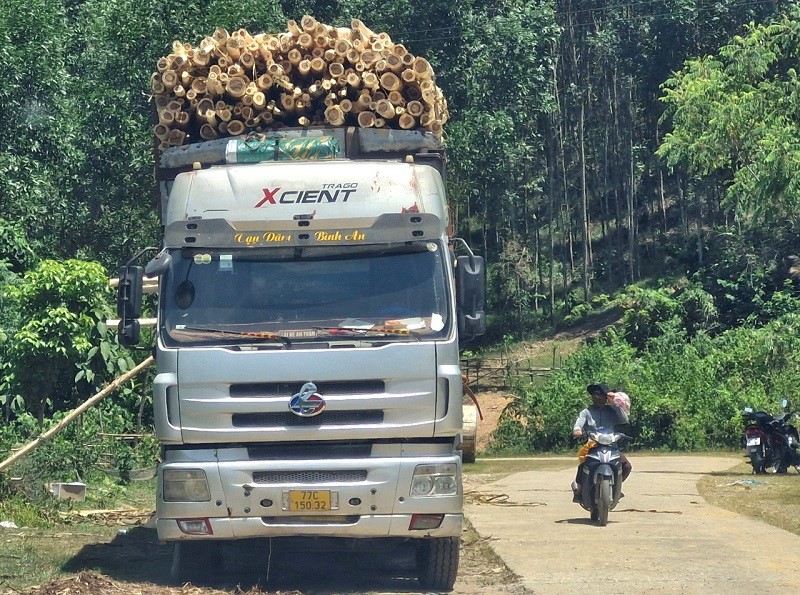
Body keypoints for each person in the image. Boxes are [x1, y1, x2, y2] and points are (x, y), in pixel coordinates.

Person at [571, 383, 632, 502]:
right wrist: (577, 430)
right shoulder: (586, 412)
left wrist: (615, 403)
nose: (599, 398)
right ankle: (579, 489)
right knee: (583, 466)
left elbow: (624, 419)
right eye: (596, 396)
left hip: (611, 446)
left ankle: (616, 488)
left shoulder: (611, 410)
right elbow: (579, 423)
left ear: (606, 398)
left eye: (603, 396)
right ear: (592, 397)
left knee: (626, 466)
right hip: (593, 446)